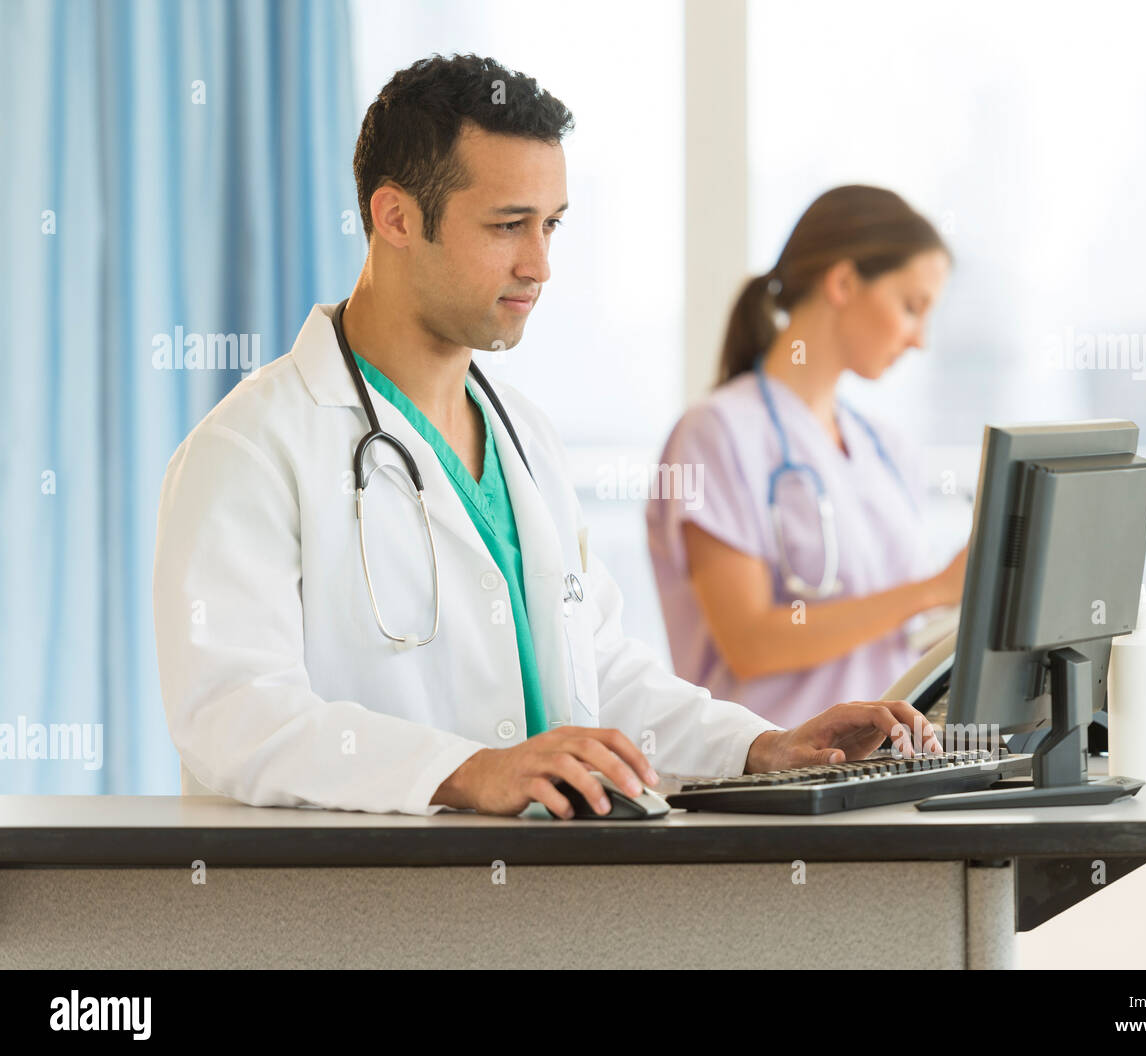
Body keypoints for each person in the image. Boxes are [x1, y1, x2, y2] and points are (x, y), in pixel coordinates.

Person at [152, 55, 941, 820]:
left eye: (552, 225)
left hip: (541, 907)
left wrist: (757, 746)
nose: (540, 264)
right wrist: (464, 772)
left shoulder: (523, 434)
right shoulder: (251, 448)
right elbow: (234, 714)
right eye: (508, 226)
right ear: (394, 216)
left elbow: (599, 671)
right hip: (360, 919)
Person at [646, 186, 967, 730]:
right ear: (842, 283)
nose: (920, 340)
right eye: (912, 307)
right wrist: (933, 589)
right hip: (766, 785)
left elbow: (899, 633)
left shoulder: (885, 447)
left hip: (882, 771)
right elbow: (748, 641)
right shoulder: (716, 433)